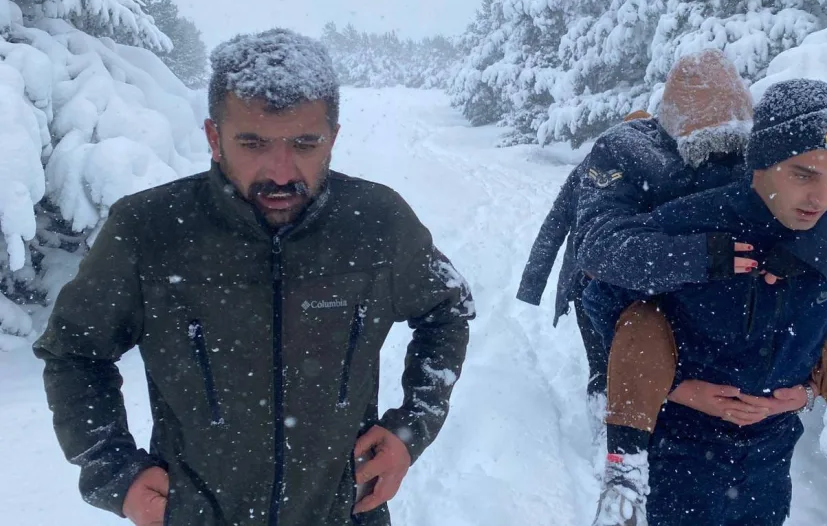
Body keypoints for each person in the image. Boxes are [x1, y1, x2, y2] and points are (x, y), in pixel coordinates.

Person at [34, 29, 474, 526]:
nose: (282, 172)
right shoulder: (149, 232)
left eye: (305, 143)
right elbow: (74, 352)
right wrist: (117, 473)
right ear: (213, 138)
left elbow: (448, 308)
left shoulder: (376, 222)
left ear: (333, 137)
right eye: (254, 143)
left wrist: (410, 430)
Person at [584, 77, 827, 526]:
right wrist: (682, 390)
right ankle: (625, 488)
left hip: (770, 450)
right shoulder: (692, 223)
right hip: (680, 446)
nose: (819, 197)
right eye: (803, 174)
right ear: (760, 163)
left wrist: (802, 395)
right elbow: (605, 305)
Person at [516, 109, 652, 413]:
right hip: (633, 286)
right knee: (630, 356)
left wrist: (532, 285)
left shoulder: (590, 169)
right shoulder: (657, 172)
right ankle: (620, 414)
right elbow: (554, 227)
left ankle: (604, 411)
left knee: (603, 359)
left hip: (589, 280)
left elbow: (553, 227)